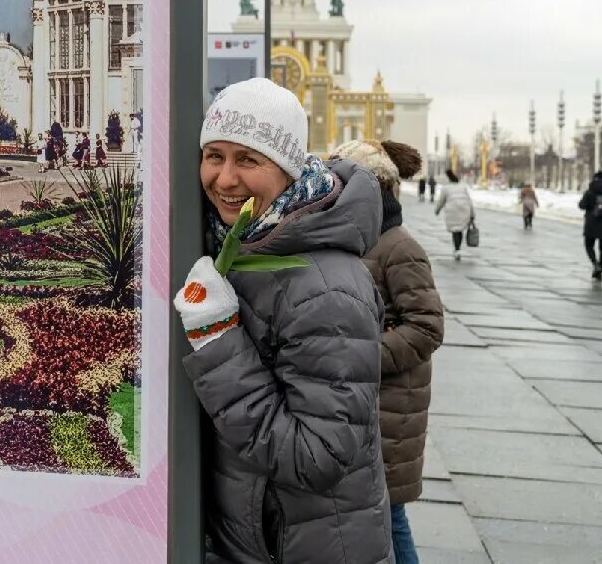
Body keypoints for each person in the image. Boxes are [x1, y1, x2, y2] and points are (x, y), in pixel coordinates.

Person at [174, 78, 393, 564]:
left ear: (289, 170)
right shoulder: (237, 245)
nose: (225, 179)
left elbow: (318, 456)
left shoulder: (326, 286)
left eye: (248, 160)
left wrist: (217, 339)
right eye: (214, 155)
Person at [332, 139, 445, 564]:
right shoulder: (361, 240)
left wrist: (361, 356)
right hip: (368, 406)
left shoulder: (398, 247)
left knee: (389, 519)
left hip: (390, 411)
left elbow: (427, 326)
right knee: (376, 518)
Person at [435, 169, 474, 261]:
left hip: (452, 210)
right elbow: (469, 201)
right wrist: (472, 214)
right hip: (464, 209)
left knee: (455, 230)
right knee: (459, 230)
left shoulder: (445, 188)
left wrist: (437, 210)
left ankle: (457, 249)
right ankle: (458, 249)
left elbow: (441, 201)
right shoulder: (463, 187)